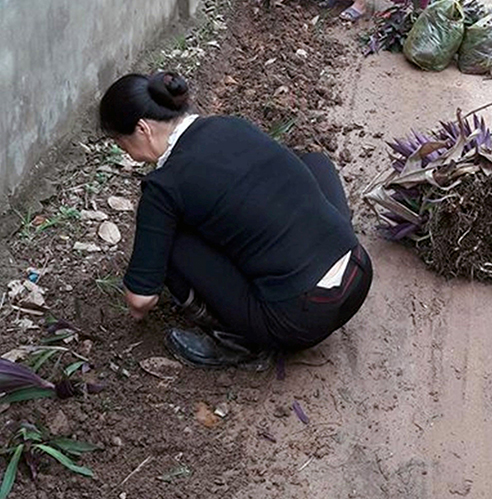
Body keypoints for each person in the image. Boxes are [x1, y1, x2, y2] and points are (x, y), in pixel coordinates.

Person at [98, 72, 373, 369]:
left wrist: (139, 302)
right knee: (313, 163)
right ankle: (325, 243)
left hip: (299, 319)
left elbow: (140, 299)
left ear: (142, 129)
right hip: (357, 274)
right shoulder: (230, 125)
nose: (126, 153)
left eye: (121, 143)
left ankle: (237, 342)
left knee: (172, 241)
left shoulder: (163, 186)